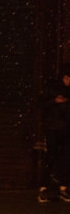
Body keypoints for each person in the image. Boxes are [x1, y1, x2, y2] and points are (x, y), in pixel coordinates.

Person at [39, 67, 70, 202]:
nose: (68, 81)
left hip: (65, 128)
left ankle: (62, 187)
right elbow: (42, 104)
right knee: (51, 157)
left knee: (66, 158)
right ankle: (44, 187)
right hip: (53, 128)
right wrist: (54, 101)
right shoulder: (53, 89)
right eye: (66, 78)